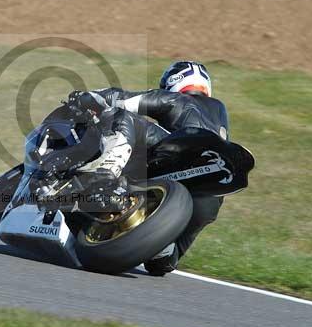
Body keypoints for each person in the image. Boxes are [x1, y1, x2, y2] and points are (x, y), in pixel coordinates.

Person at [92, 61, 230, 276]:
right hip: (211, 193)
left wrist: (90, 97)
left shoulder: (179, 100)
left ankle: (104, 179)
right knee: (161, 265)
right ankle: (162, 249)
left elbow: (124, 100)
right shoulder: (219, 112)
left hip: (177, 157)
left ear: (174, 82)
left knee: (123, 118)